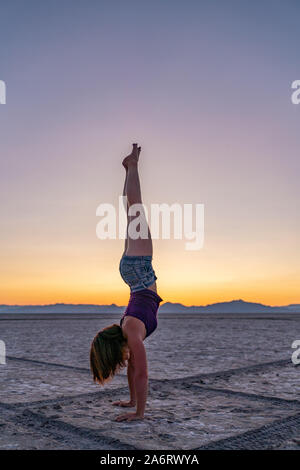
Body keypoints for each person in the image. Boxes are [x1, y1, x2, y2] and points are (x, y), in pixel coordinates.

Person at [90, 143, 163, 422]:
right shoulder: (128, 332)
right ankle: (129, 165)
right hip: (133, 274)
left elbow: (142, 373)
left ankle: (132, 165)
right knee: (131, 210)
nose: (122, 361)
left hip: (139, 271)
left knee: (135, 209)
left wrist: (139, 414)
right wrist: (132, 402)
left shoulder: (131, 330)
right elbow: (135, 369)